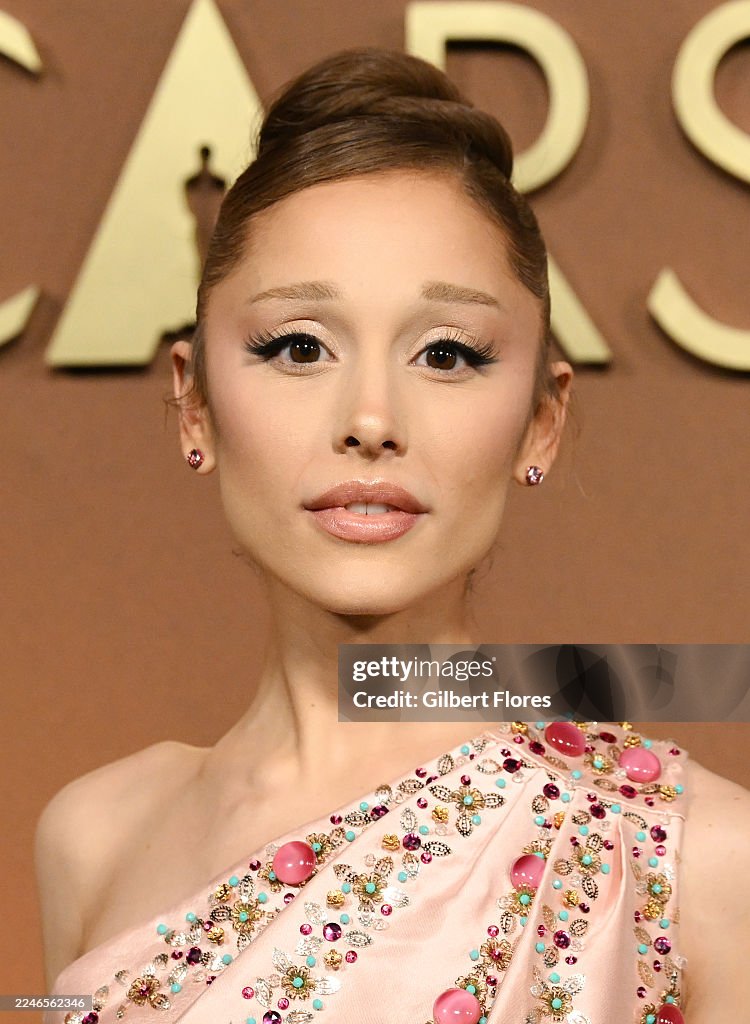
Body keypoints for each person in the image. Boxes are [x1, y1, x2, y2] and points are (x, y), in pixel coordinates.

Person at [35, 46, 748, 1024]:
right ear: (193, 402)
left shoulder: (691, 854)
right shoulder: (95, 835)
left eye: (447, 352)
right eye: (298, 346)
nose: (371, 416)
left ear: (542, 416)